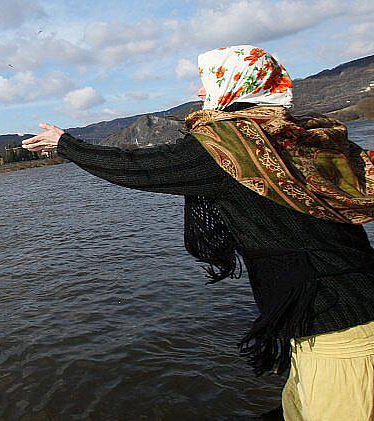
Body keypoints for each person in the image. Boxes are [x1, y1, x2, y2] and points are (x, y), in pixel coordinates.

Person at [23, 45, 374, 420]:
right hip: (333, 312)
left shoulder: (230, 149)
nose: (199, 92)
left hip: (338, 325)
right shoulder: (297, 134)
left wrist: (67, 144)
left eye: (207, 81)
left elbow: (140, 169)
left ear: (235, 86)